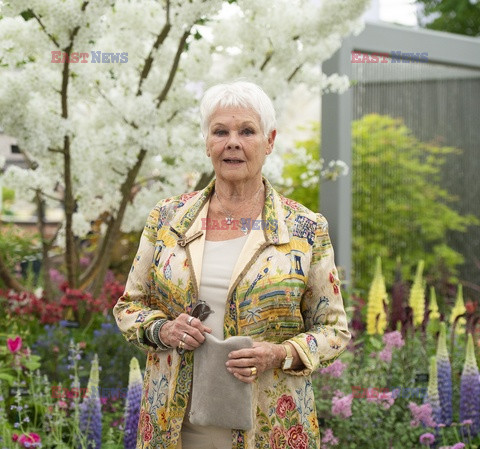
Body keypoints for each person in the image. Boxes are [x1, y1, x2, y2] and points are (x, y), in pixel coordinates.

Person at [113, 80, 351, 449]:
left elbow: (334, 329)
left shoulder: (305, 229)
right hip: (172, 428)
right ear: (207, 142)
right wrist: (164, 331)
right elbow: (129, 306)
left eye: (247, 131)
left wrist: (280, 353)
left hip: (270, 428)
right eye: (220, 131)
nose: (233, 142)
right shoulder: (167, 218)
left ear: (269, 141)